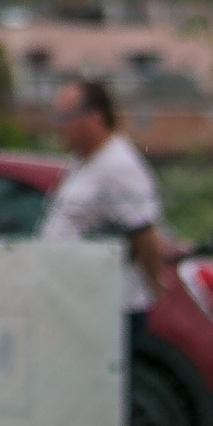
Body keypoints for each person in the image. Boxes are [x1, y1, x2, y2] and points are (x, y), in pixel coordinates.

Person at [40, 75, 174, 325]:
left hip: (112, 307)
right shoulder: (83, 160)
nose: (58, 126)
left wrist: (155, 286)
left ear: (95, 117)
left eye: (65, 117)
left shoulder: (118, 166)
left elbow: (144, 233)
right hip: (79, 300)